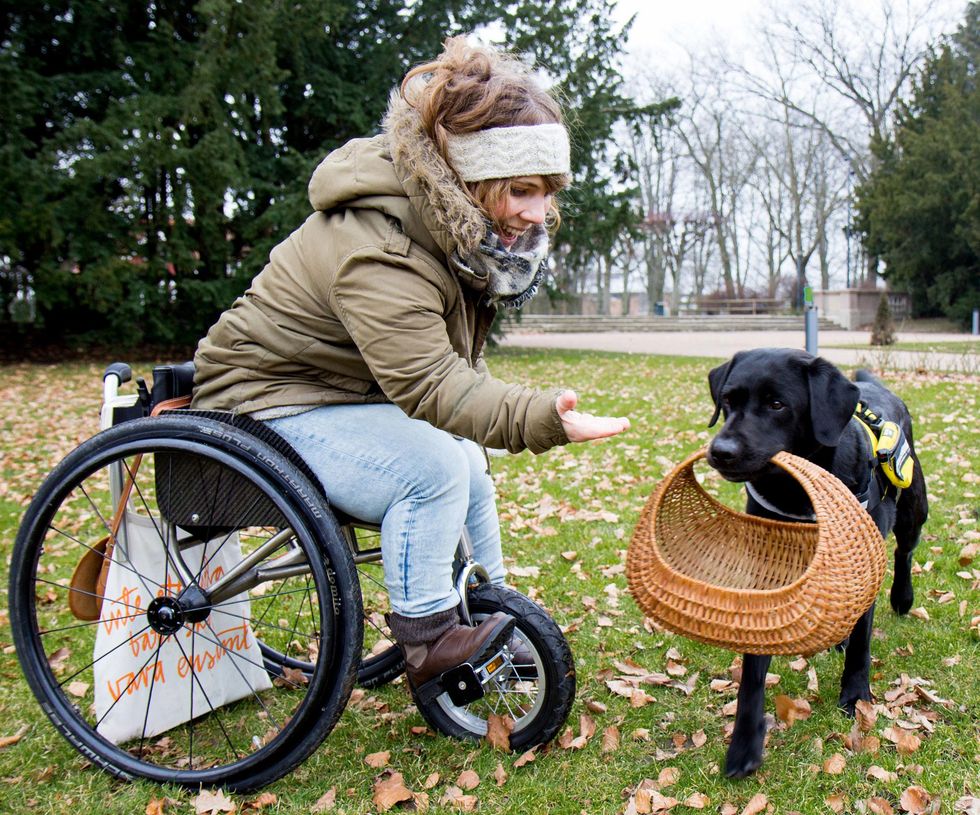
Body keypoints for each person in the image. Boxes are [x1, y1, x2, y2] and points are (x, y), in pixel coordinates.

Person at [191, 36, 630, 697]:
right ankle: (429, 638)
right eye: (521, 191)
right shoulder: (382, 243)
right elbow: (430, 383)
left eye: (546, 193)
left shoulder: (447, 231)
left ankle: (489, 615)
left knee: (466, 461)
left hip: (332, 391)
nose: (539, 214)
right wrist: (541, 418)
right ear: (470, 178)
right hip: (261, 401)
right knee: (429, 467)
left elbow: (447, 370)